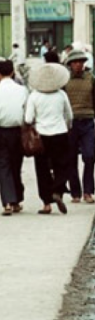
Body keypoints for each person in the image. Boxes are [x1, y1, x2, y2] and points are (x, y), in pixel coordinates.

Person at [25, 62, 73, 214]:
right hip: (60, 133)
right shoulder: (61, 95)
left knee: (42, 169)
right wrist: (67, 126)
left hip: (41, 136)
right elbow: (70, 116)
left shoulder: (34, 96)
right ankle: (58, 190)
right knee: (62, 164)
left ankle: (46, 203)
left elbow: (28, 119)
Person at [63, 50, 95, 204]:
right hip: (70, 123)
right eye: (75, 62)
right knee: (71, 158)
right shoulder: (64, 81)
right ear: (70, 65)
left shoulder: (91, 80)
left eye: (81, 61)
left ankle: (88, 191)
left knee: (90, 156)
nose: (78, 64)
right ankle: (75, 192)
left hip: (87, 122)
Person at [0, 59, 27, 215]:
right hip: (18, 131)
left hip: (0, 130)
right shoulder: (21, 90)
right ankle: (16, 200)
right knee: (16, 165)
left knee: (4, 165)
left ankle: (7, 202)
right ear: (12, 72)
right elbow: (28, 112)